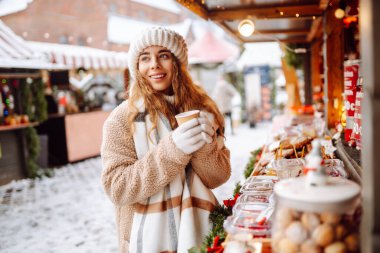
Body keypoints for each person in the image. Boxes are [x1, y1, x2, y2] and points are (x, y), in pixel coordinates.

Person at [101, 27, 231, 253]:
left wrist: (202, 146)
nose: (154, 65)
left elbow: (218, 176)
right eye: (145, 58)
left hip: (201, 232)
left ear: (177, 63)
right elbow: (117, 188)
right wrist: (172, 151)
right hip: (143, 240)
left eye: (163, 55)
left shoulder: (202, 110)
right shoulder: (122, 119)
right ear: (137, 67)